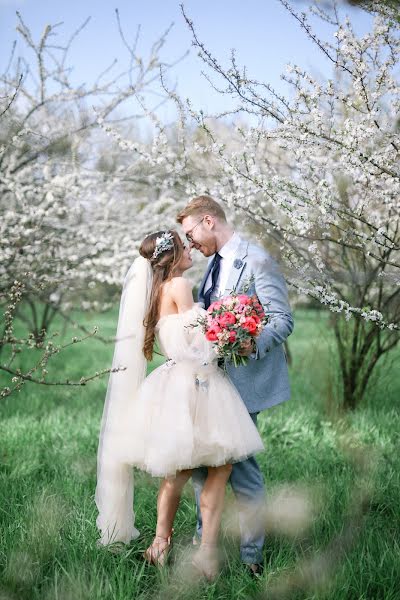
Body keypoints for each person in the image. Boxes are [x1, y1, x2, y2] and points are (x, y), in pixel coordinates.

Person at [95, 229, 264, 580]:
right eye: (184, 245)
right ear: (172, 256)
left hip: (175, 381)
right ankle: (204, 554)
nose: (190, 249)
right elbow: (203, 338)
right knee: (219, 467)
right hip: (197, 382)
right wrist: (233, 330)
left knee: (180, 471)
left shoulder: (156, 290)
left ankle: (160, 544)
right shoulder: (180, 286)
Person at [177, 195, 294, 577]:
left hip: (244, 381)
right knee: (202, 461)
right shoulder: (212, 266)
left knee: (240, 466)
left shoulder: (257, 259)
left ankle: (251, 557)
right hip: (210, 379)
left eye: (191, 231)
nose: (189, 241)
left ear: (209, 221)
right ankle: (203, 543)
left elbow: (282, 319)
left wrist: (252, 341)